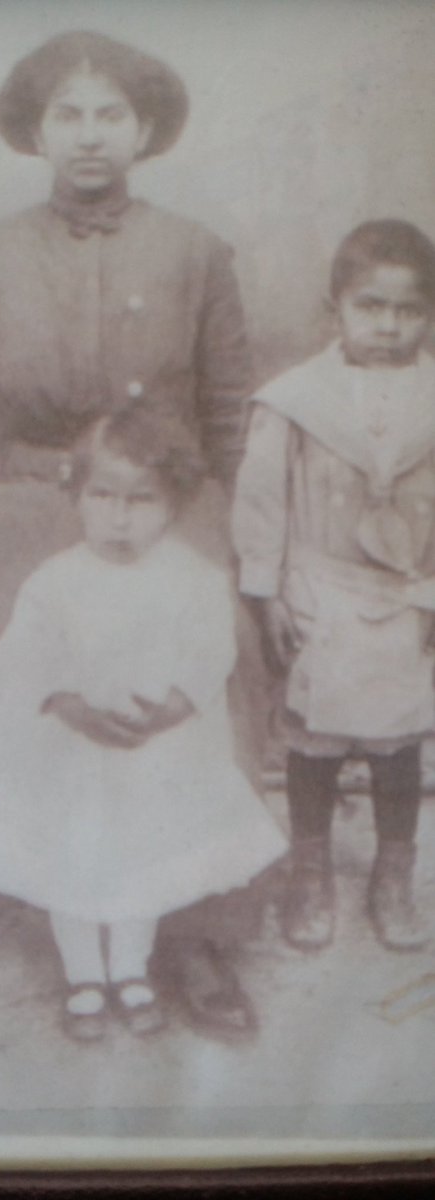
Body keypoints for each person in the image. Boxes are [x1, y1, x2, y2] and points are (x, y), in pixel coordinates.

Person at [0, 31, 270, 1018]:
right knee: (15, 650)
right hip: (31, 494)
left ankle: (201, 929)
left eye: (110, 114)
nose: (89, 136)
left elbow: (229, 407)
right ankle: (56, 914)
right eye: (67, 115)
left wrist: (232, 538)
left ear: (144, 129)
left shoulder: (197, 253)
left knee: (222, 656)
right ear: (37, 132)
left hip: (167, 498)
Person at [0, 407, 287, 1042]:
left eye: (141, 499)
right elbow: (31, 657)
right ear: (76, 495)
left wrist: (177, 706)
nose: (119, 517)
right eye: (102, 496)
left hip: (157, 751)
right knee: (73, 860)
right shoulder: (57, 580)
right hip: (76, 753)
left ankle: (130, 970)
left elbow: (209, 650)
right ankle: (83, 977)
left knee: (142, 859)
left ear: (175, 503)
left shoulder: (194, 578)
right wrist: (68, 703)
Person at [233, 218, 435, 954]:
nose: (388, 325)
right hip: (320, 590)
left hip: (409, 597)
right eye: (369, 307)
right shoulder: (293, 399)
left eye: (408, 309)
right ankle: (309, 868)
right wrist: (266, 592)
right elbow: (260, 501)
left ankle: (392, 872)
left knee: (396, 744)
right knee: (314, 743)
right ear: (335, 310)